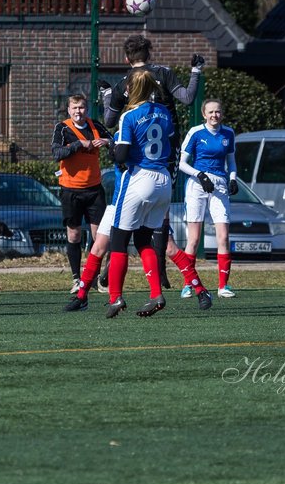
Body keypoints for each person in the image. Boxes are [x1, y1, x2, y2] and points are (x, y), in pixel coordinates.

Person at [101, 35, 204, 289]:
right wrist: (196, 71)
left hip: (133, 158)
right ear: (150, 54)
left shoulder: (124, 83)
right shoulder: (164, 73)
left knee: (122, 224)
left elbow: (109, 120)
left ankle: (112, 275)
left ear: (126, 58)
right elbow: (188, 98)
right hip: (166, 154)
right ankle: (161, 273)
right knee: (160, 215)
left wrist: (105, 95)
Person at [104, 68, 175, 318]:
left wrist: (112, 148)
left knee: (118, 240)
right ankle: (156, 294)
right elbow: (168, 142)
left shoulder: (129, 116)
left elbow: (122, 156)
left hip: (140, 177)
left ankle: (115, 298)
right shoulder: (165, 113)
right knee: (145, 240)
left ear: (132, 90)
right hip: (164, 180)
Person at [177, 98, 238, 305]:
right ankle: (188, 284)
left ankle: (223, 286)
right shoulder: (196, 132)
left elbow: (231, 161)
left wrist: (232, 179)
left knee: (224, 236)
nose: (215, 116)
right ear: (204, 114)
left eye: (218, 112)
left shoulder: (228, 133)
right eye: (211, 112)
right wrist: (200, 175)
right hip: (197, 185)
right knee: (193, 239)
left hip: (219, 185)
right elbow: (182, 163)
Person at [52, 94, 111, 295]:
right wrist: (79, 144)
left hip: (94, 189)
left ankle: (94, 276)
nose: (79, 111)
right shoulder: (63, 128)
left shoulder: (95, 125)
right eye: (75, 108)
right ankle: (77, 278)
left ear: (87, 109)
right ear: (69, 110)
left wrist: (107, 142)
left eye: (82, 108)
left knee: (100, 236)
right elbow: (57, 153)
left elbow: (114, 142)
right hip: (71, 190)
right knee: (74, 234)